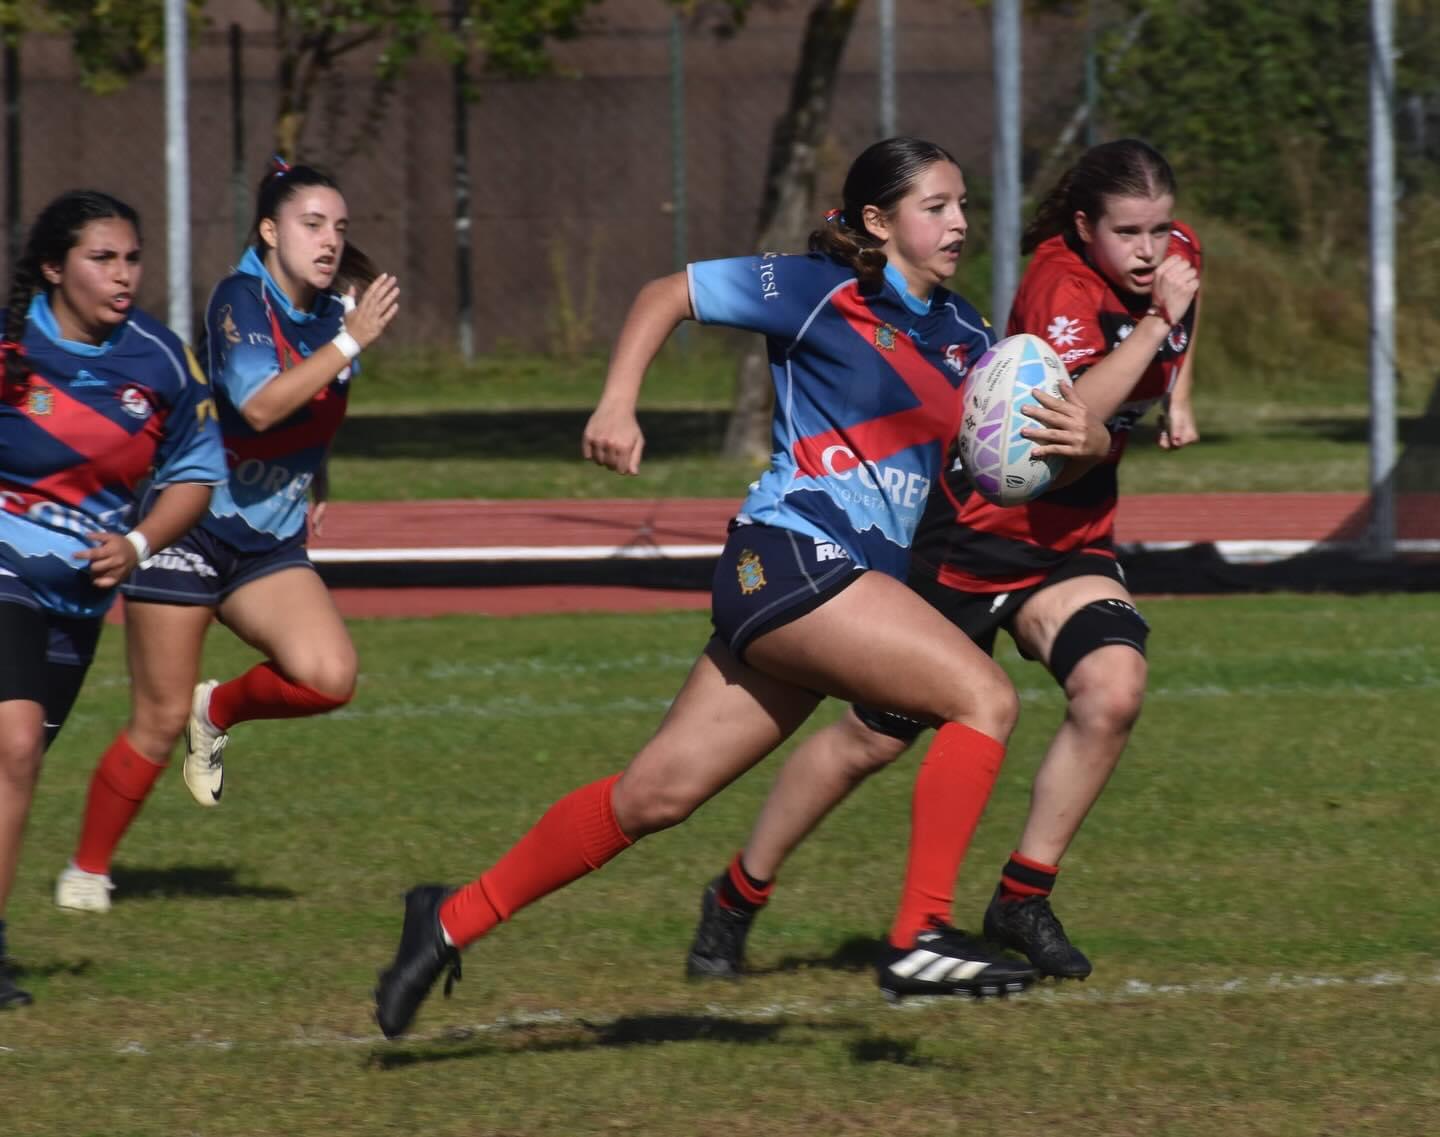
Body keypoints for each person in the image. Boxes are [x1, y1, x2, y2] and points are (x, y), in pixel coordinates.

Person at [372, 136, 1112, 1038]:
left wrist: (1091, 443)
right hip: (793, 553)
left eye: (964, 205)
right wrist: (616, 400)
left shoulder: (966, 338)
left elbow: (1012, 461)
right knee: (982, 697)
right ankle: (920, 930)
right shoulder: (814, 290)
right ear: (879, 222)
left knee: (654, 795)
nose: (960, 223)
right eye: (937, 206)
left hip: (835, 588)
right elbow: (666, 294)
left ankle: (447, 920)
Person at [683, 138, 1202, 984]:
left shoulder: (1176, 260)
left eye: (1161, 229)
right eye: (1128, 232)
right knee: (869, 742)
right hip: (971, 540)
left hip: (1067, 545)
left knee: (1113, 690)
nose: (1151, 250)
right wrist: (1153, 331)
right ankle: (739, 893)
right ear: (1085, 226)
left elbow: (1183, 319)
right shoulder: (1058, 286)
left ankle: (1021, 896)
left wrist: (1180, 392)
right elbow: (1064, 423)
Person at [53, 160, 400, 915]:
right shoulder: (241, 297)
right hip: (189, 521)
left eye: (340, 227)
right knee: (155, 717)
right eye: (312, 224)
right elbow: (259, 405)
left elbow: (315, 409)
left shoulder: (335, 308)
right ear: (270, 231)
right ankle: (87, 870)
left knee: (328, 675)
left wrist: (320, 478)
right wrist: (353, 342)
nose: (331, 240)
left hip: (265, 541)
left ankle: (221, 712)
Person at [0, 190, 225, 1008]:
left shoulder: (159, 361)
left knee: (13, 763)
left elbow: (197, 477)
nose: (123, 274)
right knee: (14, 744)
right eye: (103, 258)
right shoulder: (9, 345)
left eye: (132, 258)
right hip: (5, 572)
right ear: (54, 267)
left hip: (80, 604)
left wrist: (135, 544)